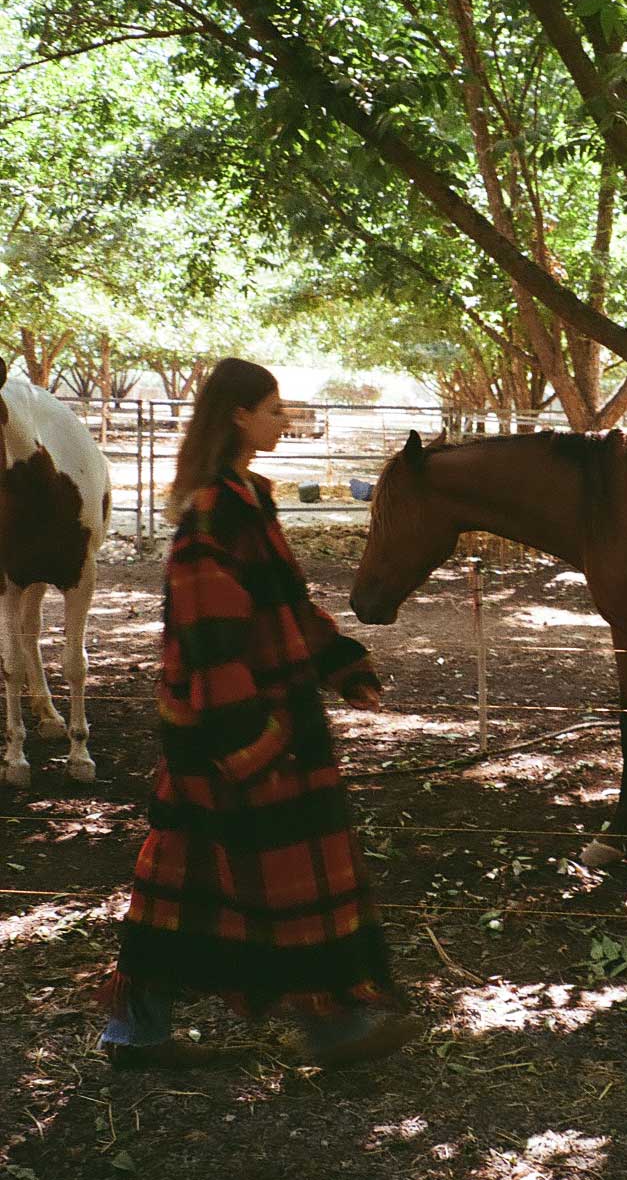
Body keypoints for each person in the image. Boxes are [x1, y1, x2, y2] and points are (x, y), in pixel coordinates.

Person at [98, 358, 420, 1069]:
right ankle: (328, 1027)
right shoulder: (213, 510)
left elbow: (284, 602)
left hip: (263, 720)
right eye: (274, 409)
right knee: (249, 872)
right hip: (229, 728)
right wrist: (246, 736)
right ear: (239, 416)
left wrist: (340, 662)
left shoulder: (252, 497)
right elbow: (205, 626)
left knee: (203, 877)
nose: (283, 420)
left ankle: (141, 1031)